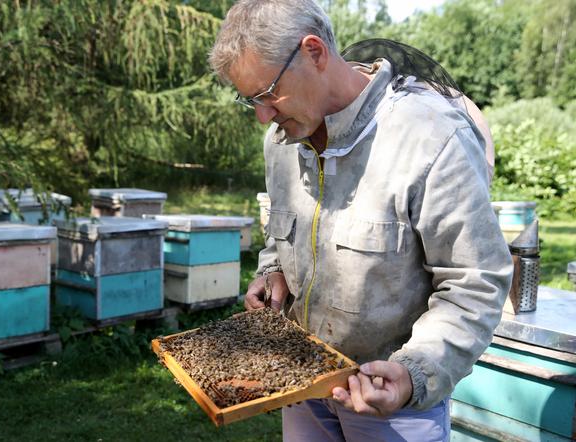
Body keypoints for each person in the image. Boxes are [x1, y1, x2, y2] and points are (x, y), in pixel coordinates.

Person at [209, 1, 513, 440]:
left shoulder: (430, 137)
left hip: (394, 406)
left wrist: (414, 375)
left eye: (267, 93)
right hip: (300, 383)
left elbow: (475, 283)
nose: (263, 115)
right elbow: (281, 237)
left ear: (313, 52)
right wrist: (272, 271)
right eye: (250, 100)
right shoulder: (280, 143)